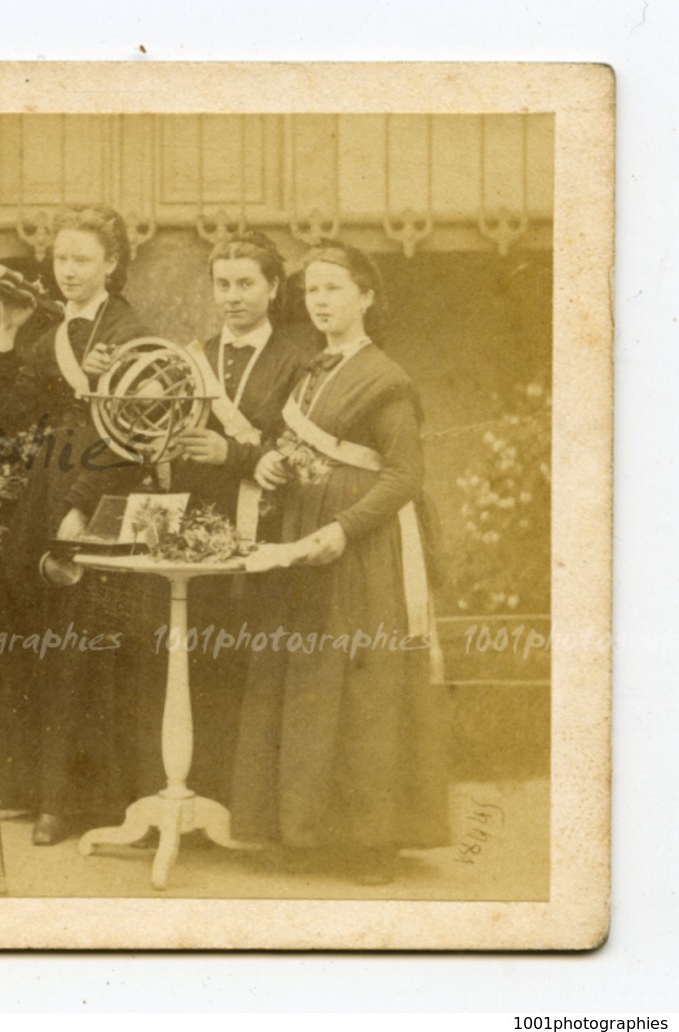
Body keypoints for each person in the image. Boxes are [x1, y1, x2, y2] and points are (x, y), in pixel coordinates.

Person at [55, 232, 315, 811]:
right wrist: (79, 503)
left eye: (246, 284)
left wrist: (235, 455)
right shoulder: (186, 357)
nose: (232, 297)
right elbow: (127, 433)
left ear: (273, 289)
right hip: (184, 532)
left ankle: (233, 806)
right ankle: (170, 798)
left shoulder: (299, 361)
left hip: (260, 535)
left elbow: (306, 456)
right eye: (222, 285)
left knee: (237, 665)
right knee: (177, 665)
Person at [231, 239, 449, 885]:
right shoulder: (309, 369)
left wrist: (343, 530)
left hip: (362, 551)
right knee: (305, 683)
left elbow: (406, 474)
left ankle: (373, 843)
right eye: (311, 291)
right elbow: (290, 442)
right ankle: (304, 832)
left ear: (365, 297)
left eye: (332, 288)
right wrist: (271, 460)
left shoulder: (385, 378)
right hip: (304, 541)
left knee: (364, 693)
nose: (319, 301)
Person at [0, 206, 146, 844]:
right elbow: (4, 416)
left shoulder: (129, 329)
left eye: (82, 260)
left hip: (99, 497)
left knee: (80, 647)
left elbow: (132, 433)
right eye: (61, 260)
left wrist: (80, 505)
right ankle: (31, 786)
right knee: (34, 632)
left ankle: (71, 801)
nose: (69, 271)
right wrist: (6, 331)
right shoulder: (49, 328)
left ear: (111, 264)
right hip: (44, 493)